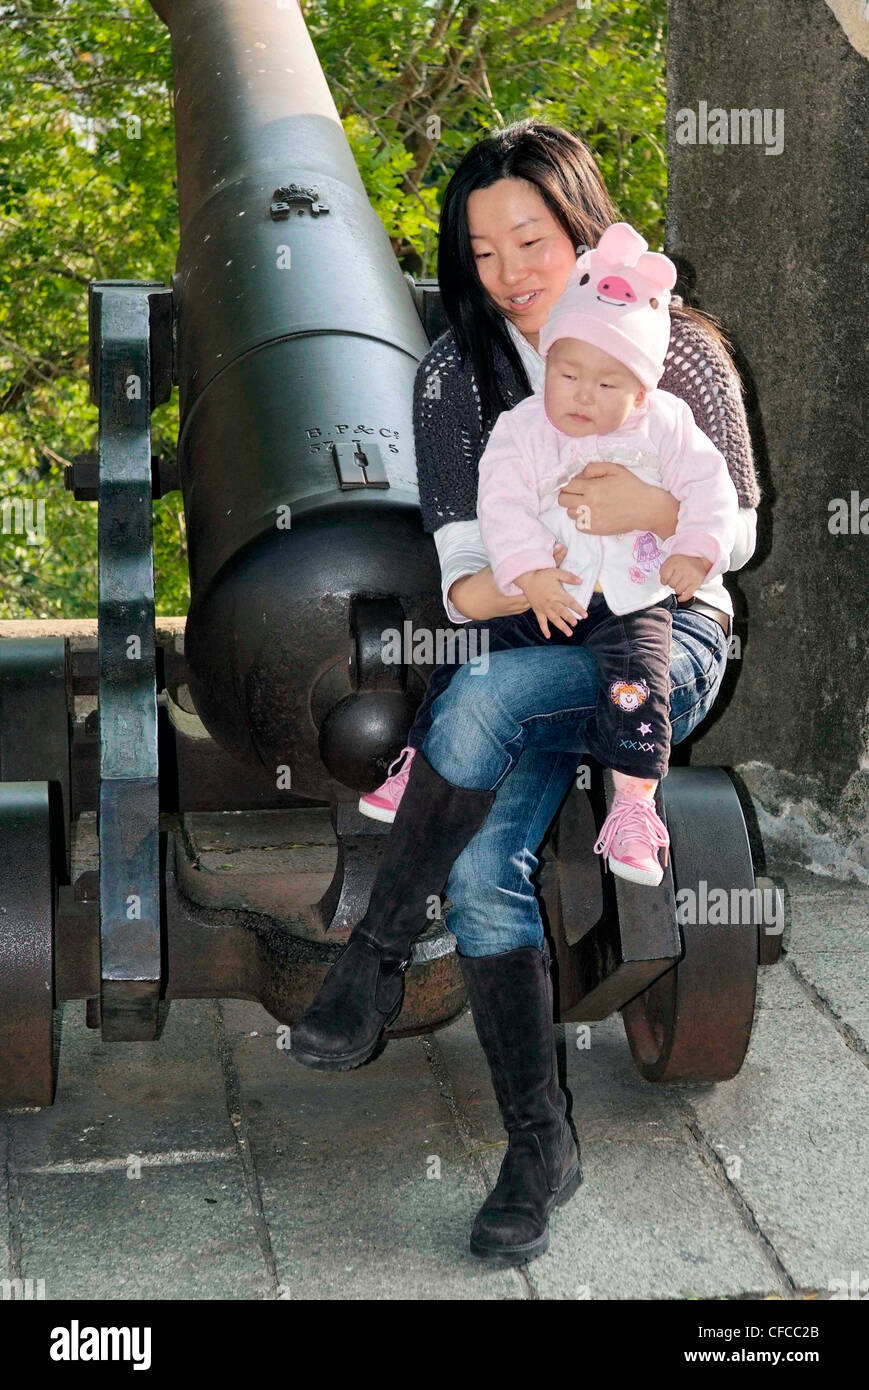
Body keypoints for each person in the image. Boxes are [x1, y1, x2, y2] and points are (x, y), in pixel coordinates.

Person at [290, 121, 761, 1267]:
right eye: (483, 249)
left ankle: (374, 955)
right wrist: (543, 564)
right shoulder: (458, 374)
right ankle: (536, 1148)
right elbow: (462, 583)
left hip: (663, 645)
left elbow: (732, 534)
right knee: (480, 862)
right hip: (536, 636)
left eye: (531, 239)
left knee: (477, 708)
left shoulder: (677, 348)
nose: (509, 272)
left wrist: (642, 517)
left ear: (578, 223)